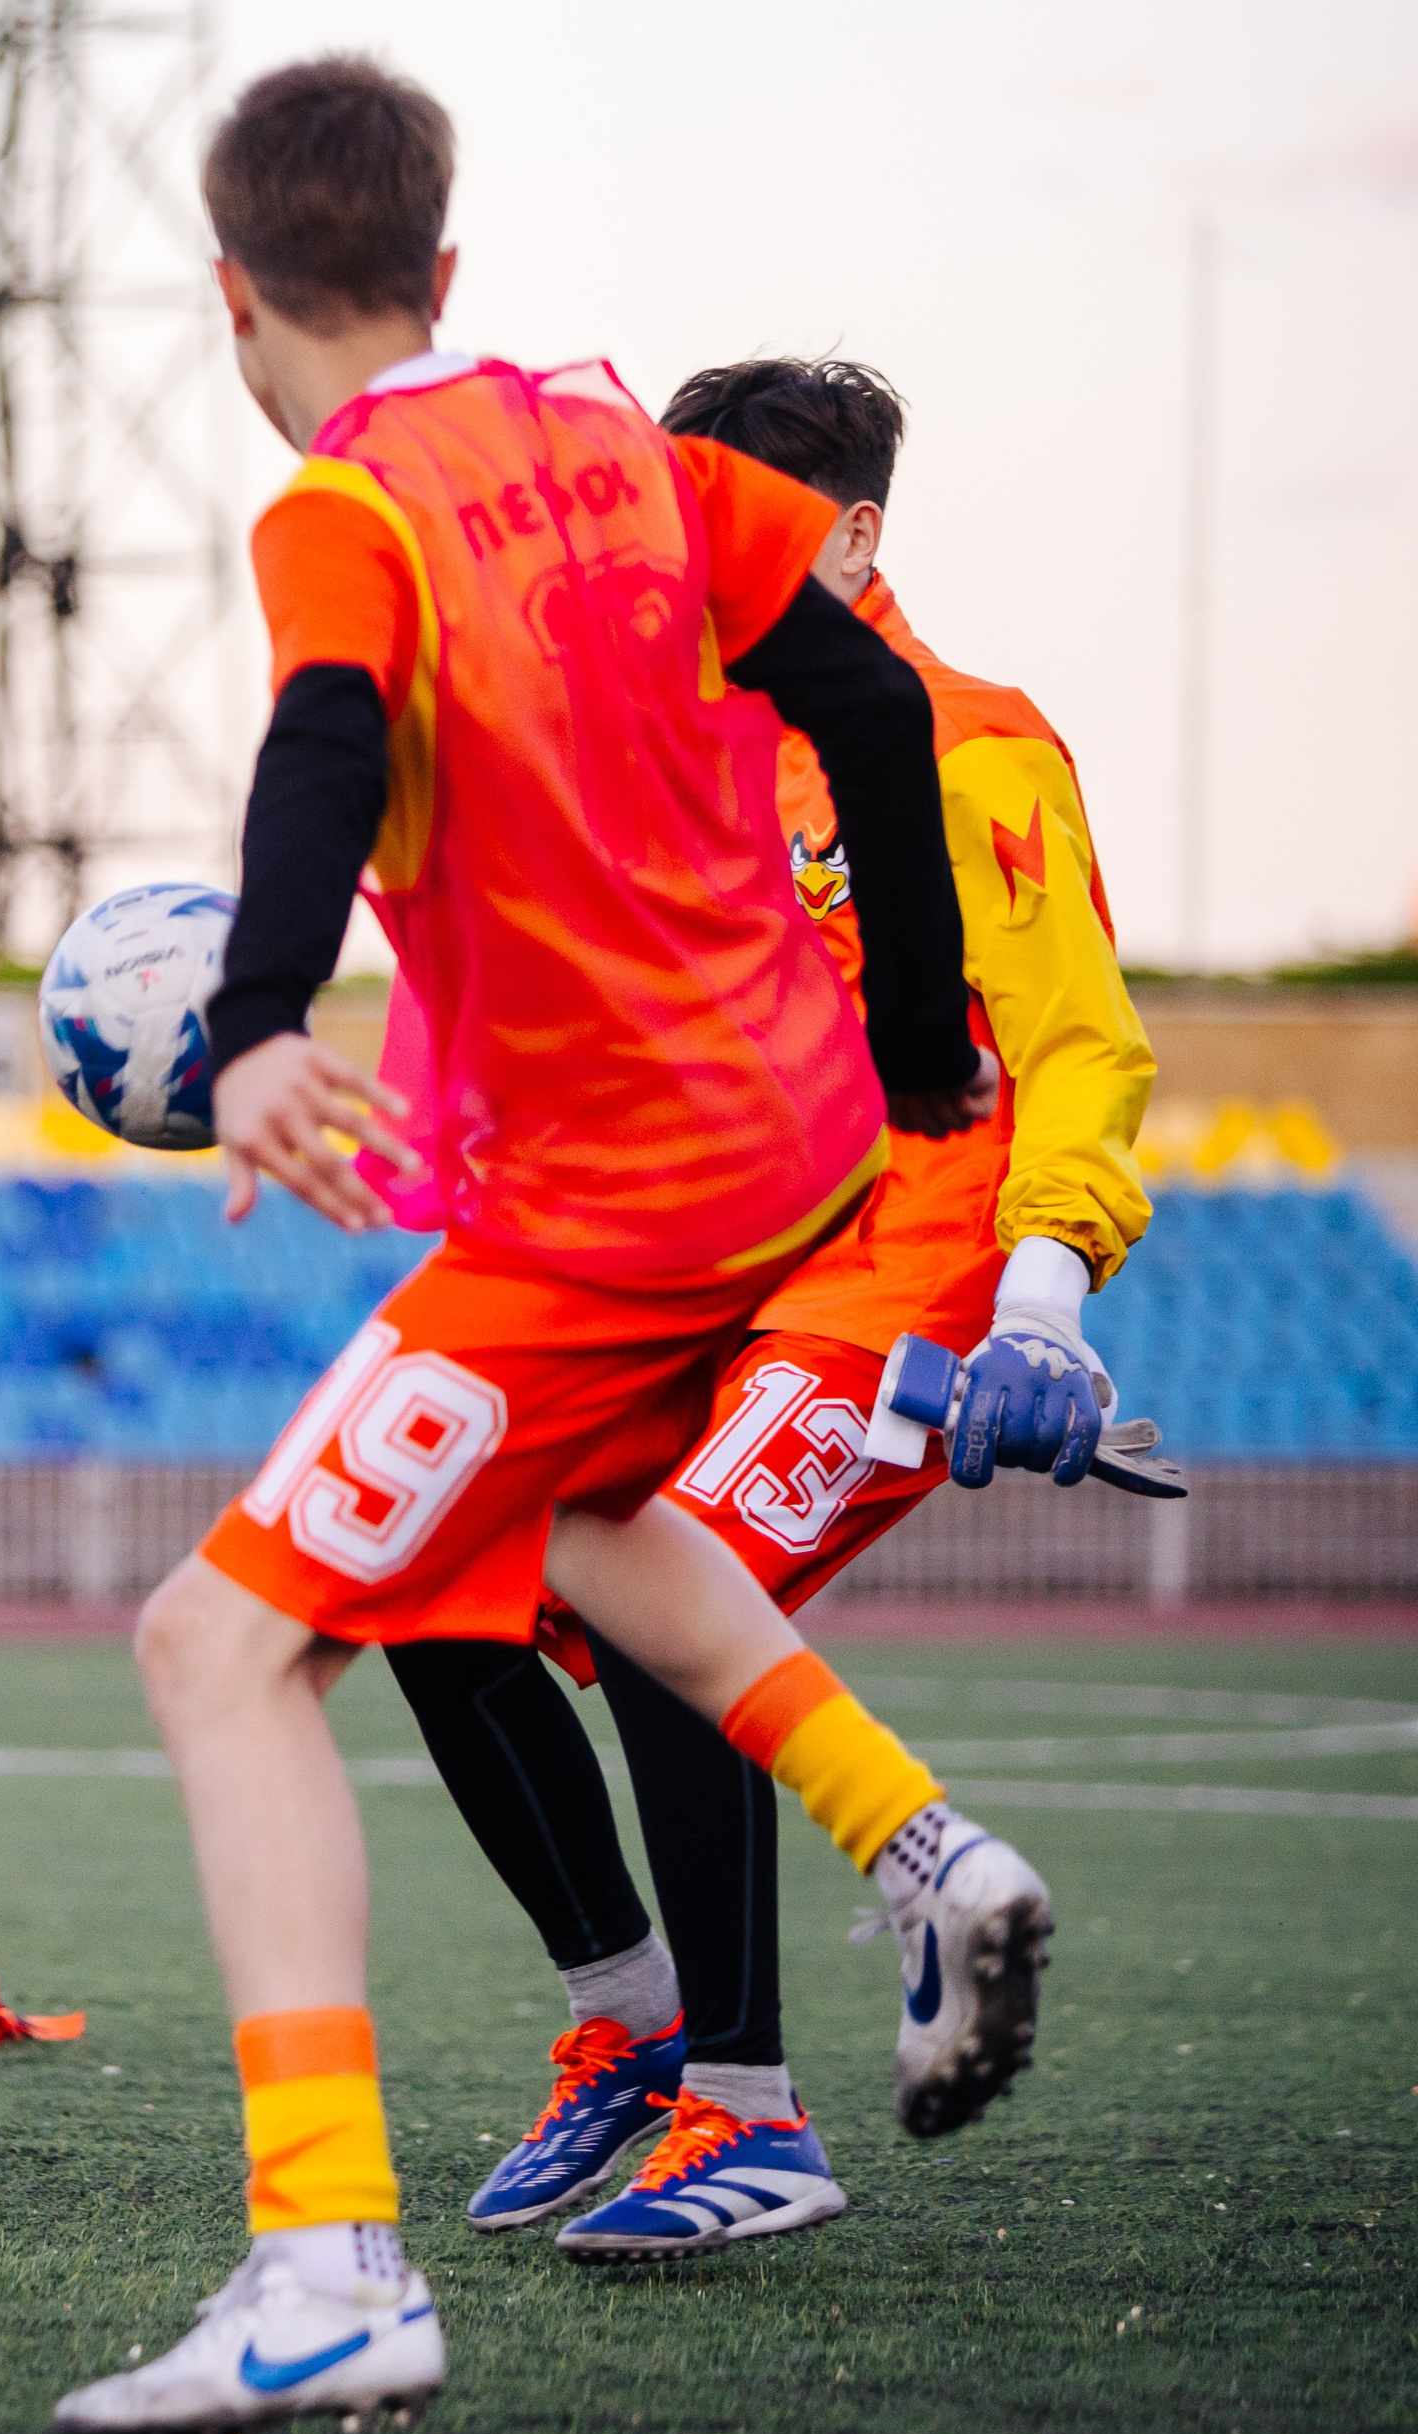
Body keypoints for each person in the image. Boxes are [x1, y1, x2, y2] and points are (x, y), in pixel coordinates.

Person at [53, 60, 1044, 2434]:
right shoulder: (633, 449)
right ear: (446, 268)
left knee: (217, 1646)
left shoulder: (343, 502)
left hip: (608, 1198)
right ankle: (926, 1855)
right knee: (590, 1531)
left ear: (230, 298)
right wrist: (911, 1038)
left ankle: (322, 2266)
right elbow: (865, 704)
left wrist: (269, 1014)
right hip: (800, 1148)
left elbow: (314, 740)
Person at [385, 359, 1154, 2260]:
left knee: (671, 1584)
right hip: (708, 1266)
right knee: (416, 1562)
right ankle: (635, 2029)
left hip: (907, 1274)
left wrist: (1042, 1300)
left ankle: (751, 2117)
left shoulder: (971, 750)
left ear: (859, 537)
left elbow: (1079, 1051)